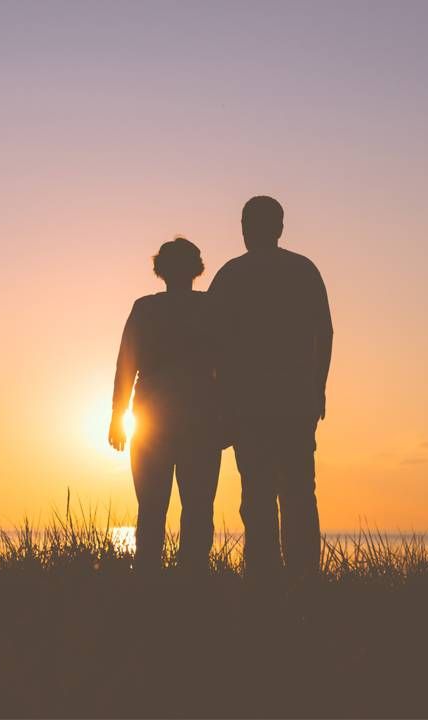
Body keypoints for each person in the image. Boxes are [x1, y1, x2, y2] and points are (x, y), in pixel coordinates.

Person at [208, 196, 333, 578]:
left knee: (258, 496)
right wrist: (317, 387)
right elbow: (324, 332)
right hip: (294, 402)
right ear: (279, 229)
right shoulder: (303, 270)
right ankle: (302, 581)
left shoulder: (231, 275)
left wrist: (219, 400)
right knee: (298, 494)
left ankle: (264, 580)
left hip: (250, 406)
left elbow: (209, 340)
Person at [109, 237, 223, 572]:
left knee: (154, 506)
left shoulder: (147, 309)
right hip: (195, 421)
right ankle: (191, 576)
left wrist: (118, 416)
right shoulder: (209, 308)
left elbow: (125, 365)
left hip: (157, 421)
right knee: (197, 507)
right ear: (196, 269)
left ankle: (150, 576)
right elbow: (229, 365)